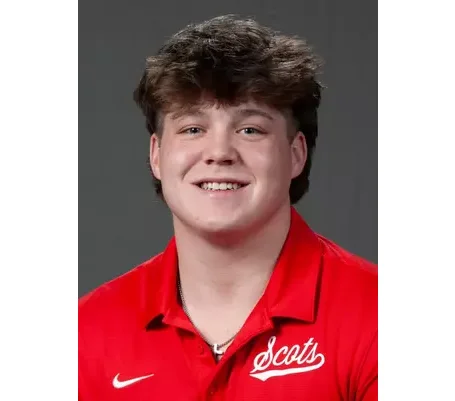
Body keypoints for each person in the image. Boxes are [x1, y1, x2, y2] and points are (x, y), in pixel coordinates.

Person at [78, 15, 377, 401]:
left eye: (250, 130)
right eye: (192, 129)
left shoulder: (377, 315)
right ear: (156, 155)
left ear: (295, 154)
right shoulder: (86, 332)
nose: (219, 152)